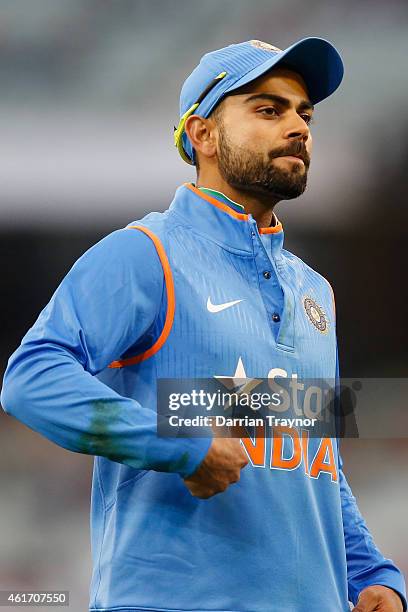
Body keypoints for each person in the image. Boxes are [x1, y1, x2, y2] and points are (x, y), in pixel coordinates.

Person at [1, 37, 406, 612]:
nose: (298, 127)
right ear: (202, 135)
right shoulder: (143, 255)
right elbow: (30, 380)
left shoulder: (315, 292)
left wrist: (370, 574)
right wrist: (180, 444)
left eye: (304, 113)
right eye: (268, 110)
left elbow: (315, 456)